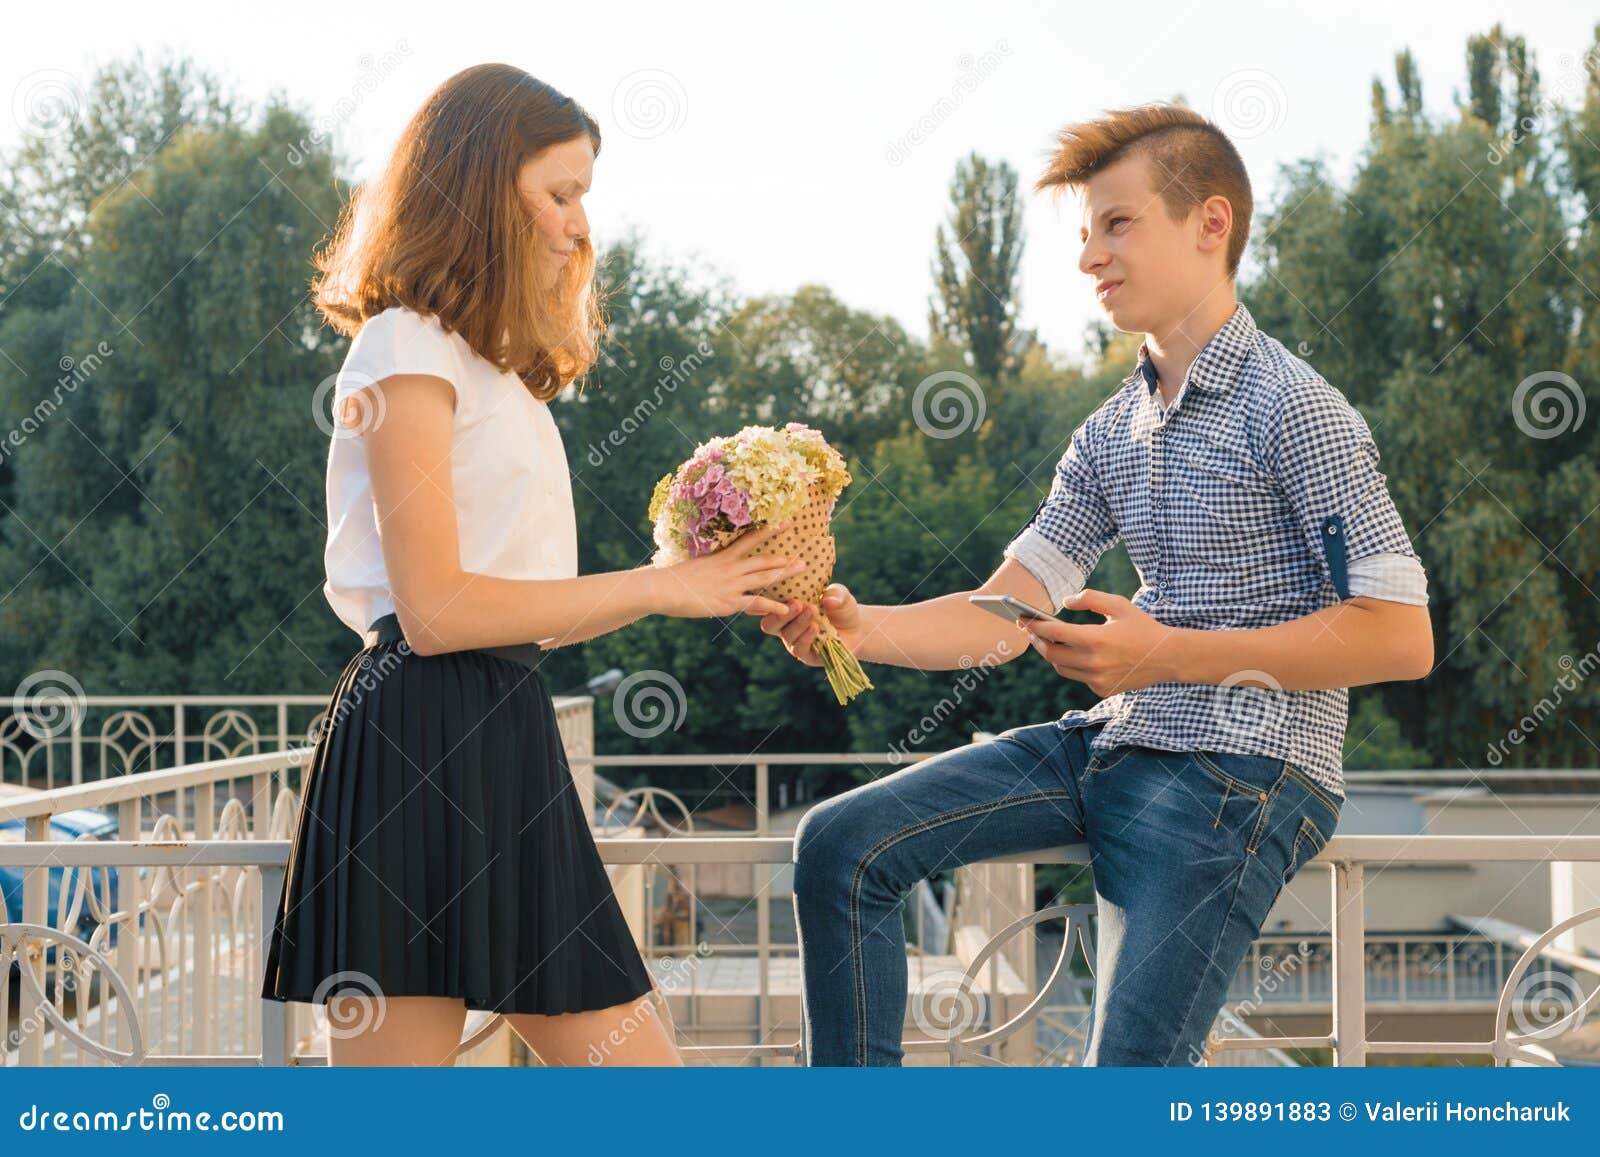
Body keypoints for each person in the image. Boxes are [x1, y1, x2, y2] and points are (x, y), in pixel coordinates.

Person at [761, 103, 1433, 1066]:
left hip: (1240, 776)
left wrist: (1163, 655)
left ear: (1212, 224)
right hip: (1110, 748)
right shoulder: (1111, 430)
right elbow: (1008, 609)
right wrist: (855, 628)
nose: (1089, 258)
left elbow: (1402, 636)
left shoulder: (1299, 410)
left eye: (1117, 225)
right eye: (1085, 234)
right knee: (839, 843)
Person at [260, 63, 804, 1066]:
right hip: (416, 733)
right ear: (478, 186)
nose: (577, 225)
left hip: (502, 721)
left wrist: (684, 579)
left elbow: (523, 614)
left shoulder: (497, 372)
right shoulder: (402, 345)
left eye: (583, 199)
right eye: (559, 194)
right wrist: (659, 584)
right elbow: (433, 612)